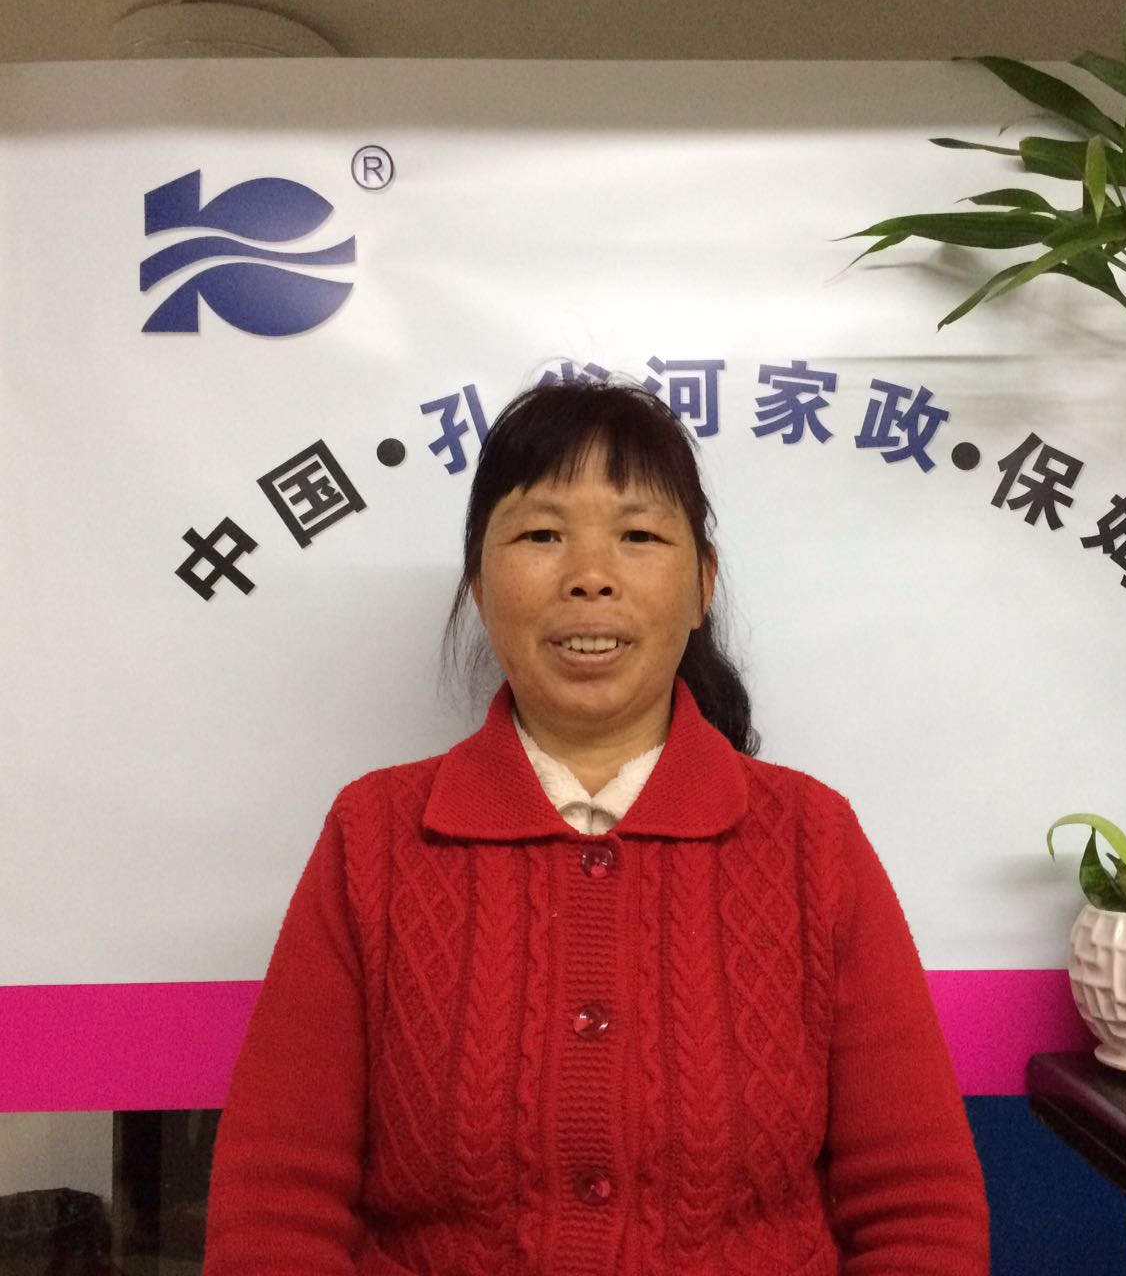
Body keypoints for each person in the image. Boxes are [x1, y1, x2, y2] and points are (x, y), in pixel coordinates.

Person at [203, 379, 990, 1275]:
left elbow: (918, 1208)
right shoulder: (375, 837)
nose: (589, 574)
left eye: (639, 536)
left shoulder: (812, 840)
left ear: (702, 586)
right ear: (479, 584)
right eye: (541, 535)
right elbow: (276, 1207)